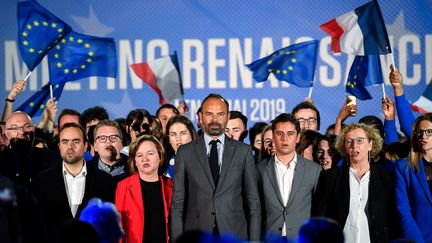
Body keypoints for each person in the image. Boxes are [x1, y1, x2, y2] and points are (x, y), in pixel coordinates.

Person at [171, 93, 261, 242]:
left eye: (220, 114)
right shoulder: (185, 152)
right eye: (209, 114)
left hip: (234, 235)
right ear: (200, 117)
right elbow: (177, 204)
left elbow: (253, 203)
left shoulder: (243, 151)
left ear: (227, 116)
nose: (214, 120)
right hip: (196, 234)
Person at [313, 123, 397, 243]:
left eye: (359, 141)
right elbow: (319, 216)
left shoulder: (386, 177)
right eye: (349, 141)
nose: (354, 146)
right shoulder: (330, 177)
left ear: (370, 144)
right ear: (344, 147)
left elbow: (392, 218)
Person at [31, 123, 114, 238]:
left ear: (85, 145)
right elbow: (36, 225)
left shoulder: (105, 181)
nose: (70, 147)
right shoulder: (41, 181)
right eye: (65, 142)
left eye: (76, 141)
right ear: (59, 146)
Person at [257, 113, 321, 240]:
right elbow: (255, 210)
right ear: (273, 137)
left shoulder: (314, 170)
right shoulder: (258, 169)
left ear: (298, 137)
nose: (284, 139)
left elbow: (318, 210)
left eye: (290, 134)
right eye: (279, 133)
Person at [115, 135, 173, 243]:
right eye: (139, 155)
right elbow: (119, 227)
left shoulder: (171, 185)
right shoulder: (124, 186)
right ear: (135, 161)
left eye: (150, 153)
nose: (144, 159)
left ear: (160, 156)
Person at [394, 113, 432, 242]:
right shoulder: (403, 167)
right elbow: (403, 210)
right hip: (419, 237)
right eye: (419, 132)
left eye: (429, 132)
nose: (423, 136)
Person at [90, 120, 129, 184]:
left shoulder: (136, 169)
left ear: (121, 144)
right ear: (95, 146)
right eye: (102, 138)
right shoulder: (84, 172)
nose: (108, 142)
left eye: (113, 138)